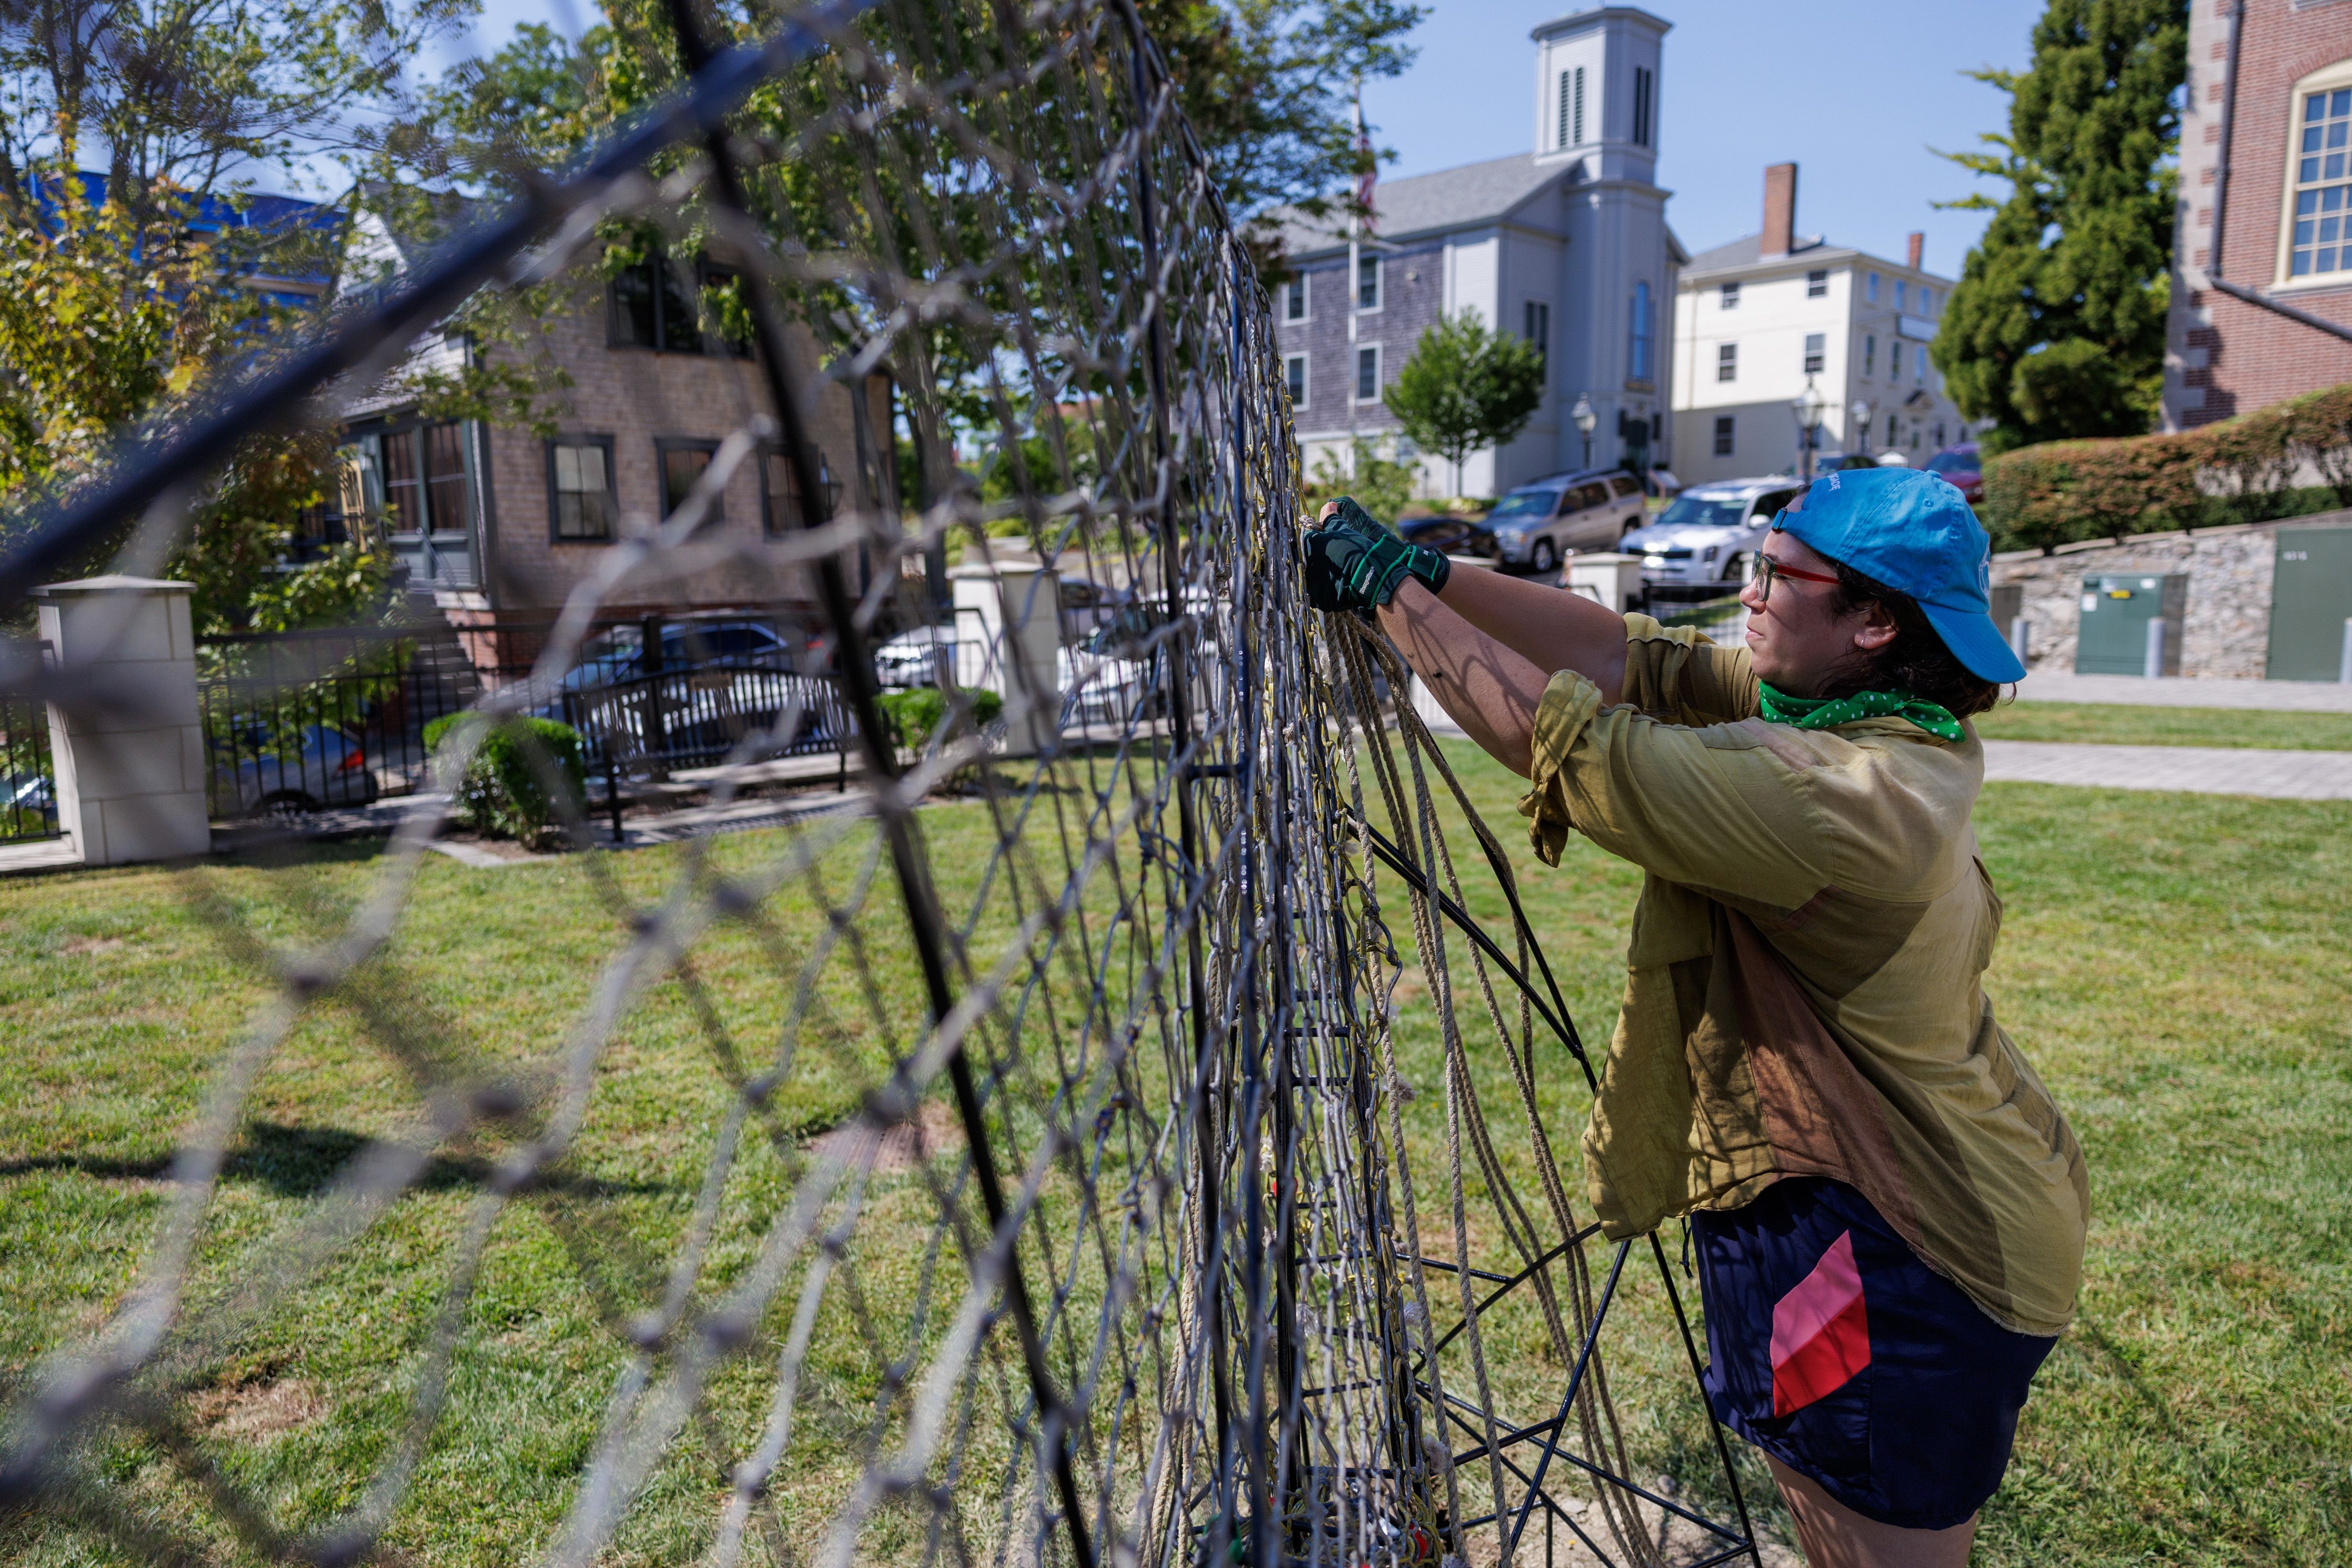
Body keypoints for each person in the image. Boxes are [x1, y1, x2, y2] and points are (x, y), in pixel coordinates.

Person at [1302, 468, 2087, 1568]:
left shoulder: (1838, 794)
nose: (1751, 588)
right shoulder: (1855, 716)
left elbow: (1580, 751)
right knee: (1827, 1517)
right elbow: (1632, 663)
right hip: (1858, 1209)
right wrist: (1437, 575)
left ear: (1873, 623)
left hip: (1905, 1246)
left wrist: (1388, 594)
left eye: (1780, 574)